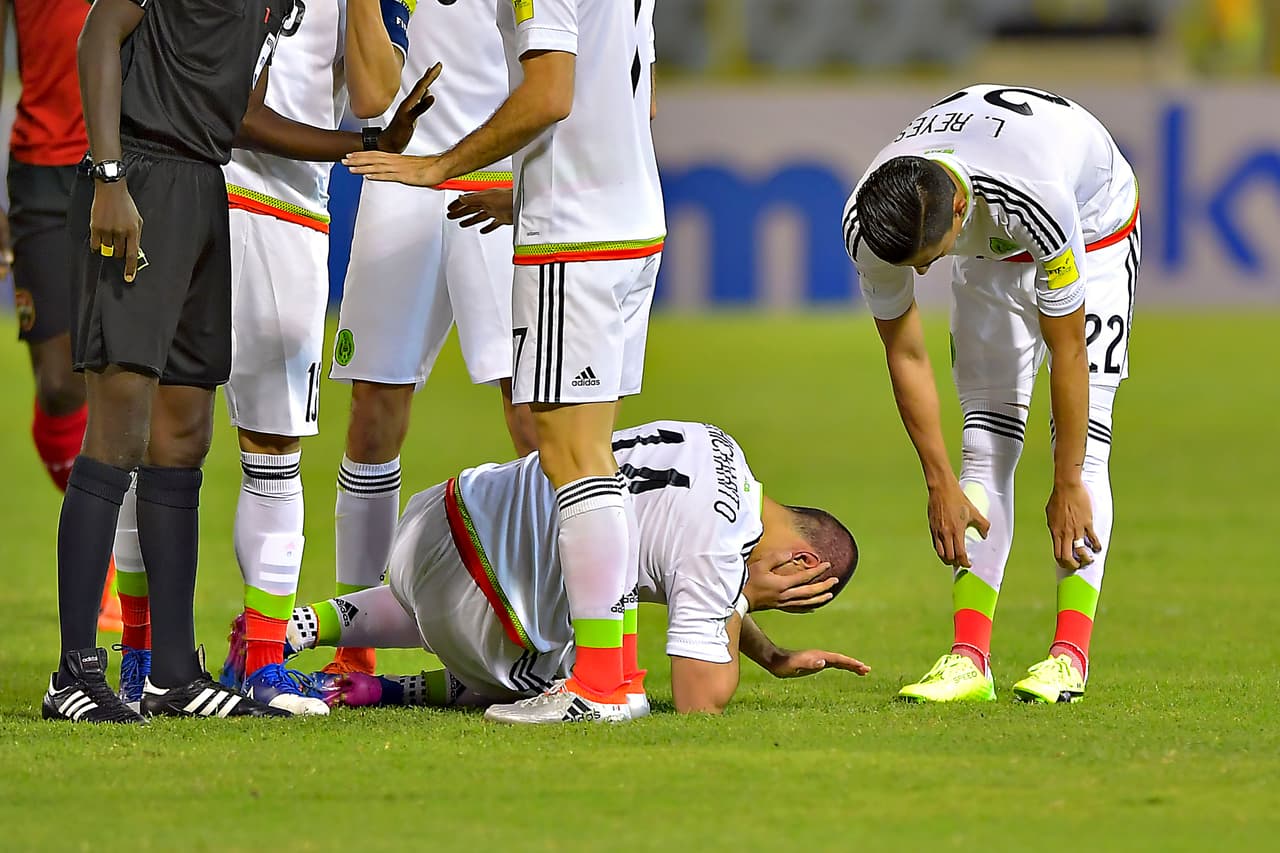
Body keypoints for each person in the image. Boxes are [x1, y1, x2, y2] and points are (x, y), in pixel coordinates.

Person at [44, 0, 433, 724]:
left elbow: (238, 111)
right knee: (122, 431)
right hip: (144, 177)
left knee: (183, 435)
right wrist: (107, 173)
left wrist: (367, 139)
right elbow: (101, 29)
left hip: (205, 183)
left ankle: (174, 673)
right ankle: (81, 670)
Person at [344, 0, 665, 724]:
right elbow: (627, 95)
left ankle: (599, 677)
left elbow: (551, 91)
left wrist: (441, 165)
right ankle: (612, 668)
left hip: (569, 222)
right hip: (614, 213)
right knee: (584, 451)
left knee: (562, 446)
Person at [842, 83, 1139, 704]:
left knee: (1086, 455)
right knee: (984, 444)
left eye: (928, 259)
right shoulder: (872, 221)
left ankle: (1069, 658)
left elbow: (1068, 350)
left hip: (1094, 227)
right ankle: (969, 658)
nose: (923, 274)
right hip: (990, 246)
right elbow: (903, 350)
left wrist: (1063, 485)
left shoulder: (1035, 195)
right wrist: (938, 481)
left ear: (956, 211)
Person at [285, 420, 865, 719]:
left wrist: (769, 654)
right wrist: (738, 599)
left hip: (442, 514)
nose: (751, 599)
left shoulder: (716, 443)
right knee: (585, 655)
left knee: (560, 588)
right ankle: (388, 690)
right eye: (779, 596)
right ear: (801, 561)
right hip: (478, 602)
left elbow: (674, 543)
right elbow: (700, 698)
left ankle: (289, 632)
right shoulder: (720, 549)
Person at [321, 0, 535, 680]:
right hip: (403, 176)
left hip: (495, 173)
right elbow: (374, 95)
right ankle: (355, 647)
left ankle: (560, 634)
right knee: (372, 411)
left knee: (534, 416)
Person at [2, 0, 122, 633]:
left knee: (116, 369)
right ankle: (90, 514)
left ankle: (107, 561)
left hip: (127, 159)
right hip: (41, 171)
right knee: (58, 383)